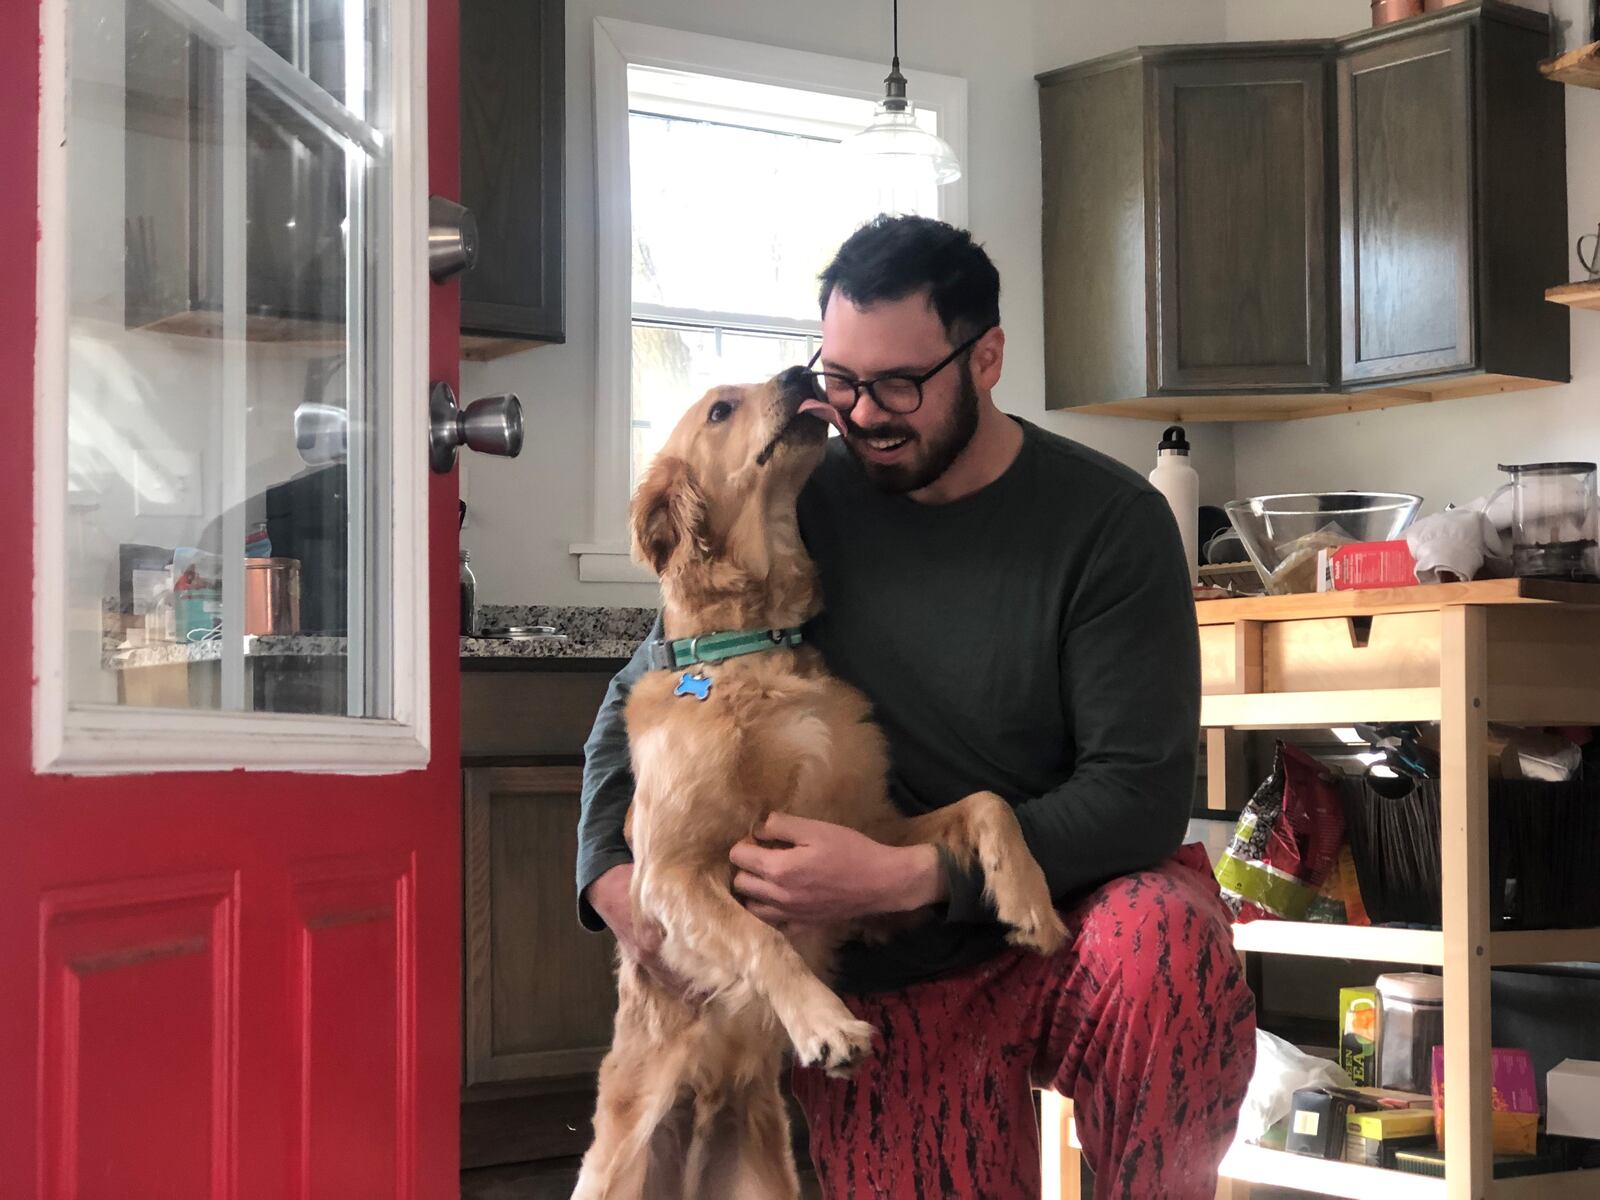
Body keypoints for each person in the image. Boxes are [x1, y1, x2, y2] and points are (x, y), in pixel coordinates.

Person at [576, 214, 1255, 1199]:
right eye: (840, 380)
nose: (861, 413)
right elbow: (655, 680)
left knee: (1165, 941)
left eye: (899, 383)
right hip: (889, 980)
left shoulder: (1107, 524)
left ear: (985, 358)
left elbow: (1137, 798)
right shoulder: (801, 488)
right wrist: (607, 874)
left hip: (1061, 919)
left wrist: (907, 876)